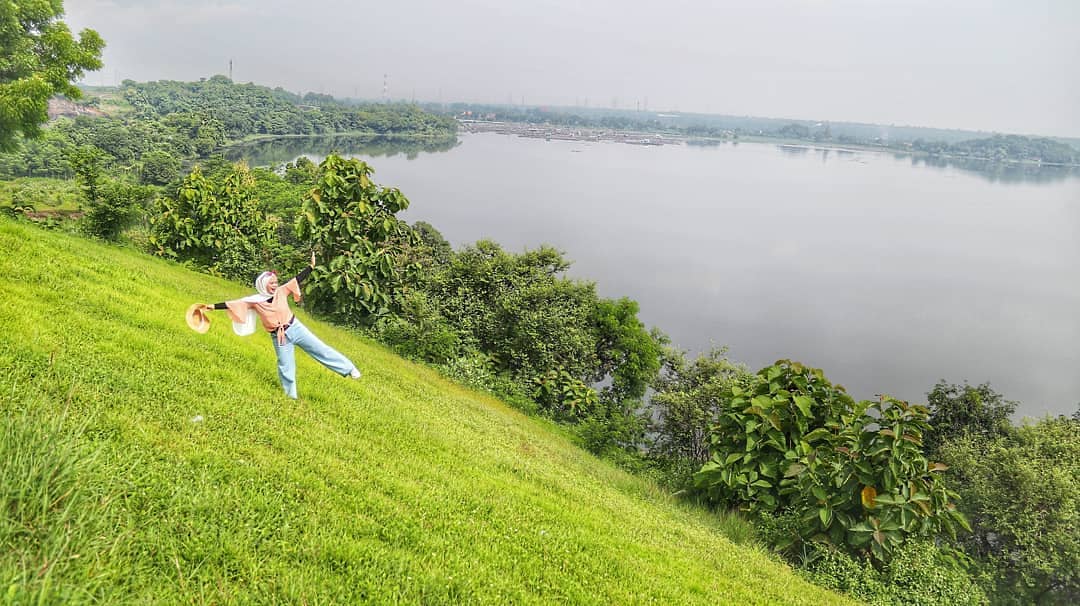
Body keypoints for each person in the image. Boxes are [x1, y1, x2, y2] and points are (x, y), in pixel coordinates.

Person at [199, 252, 360, 399]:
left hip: (295, 327)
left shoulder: (282, 291)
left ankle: (349, 369)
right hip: (279, 337)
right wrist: (211, 306)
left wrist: (311, 267)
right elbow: (233, 304)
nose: (275, 285)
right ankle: (291, 396)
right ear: (263, 285)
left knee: (320, 349)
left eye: (276, 282)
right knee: (285, 365)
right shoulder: (254, 301)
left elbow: (297, 279)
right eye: (271, 283)